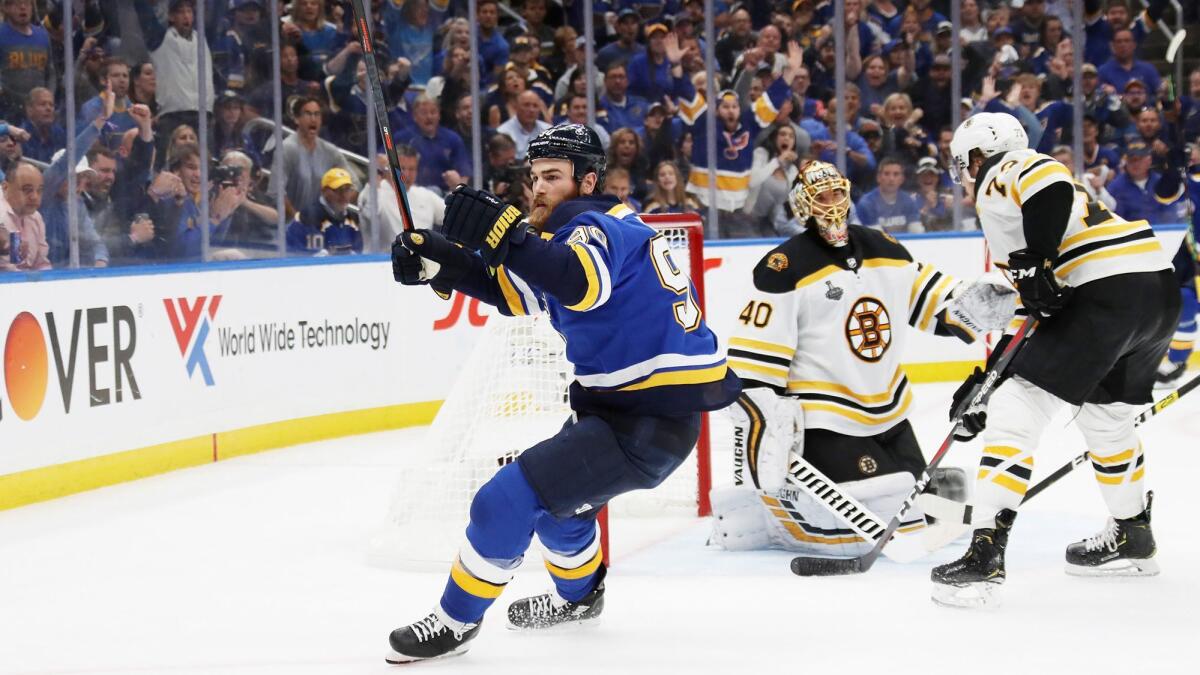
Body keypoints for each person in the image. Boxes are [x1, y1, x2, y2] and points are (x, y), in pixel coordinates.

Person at [386, 123, 739, 662]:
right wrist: (442, 259)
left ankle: (455, 620)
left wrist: (509, 237)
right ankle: (580, 597)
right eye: (534, 178)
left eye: (552, 176)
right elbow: (514, 290)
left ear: (589, 180)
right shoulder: (582, 233)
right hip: (632, 415)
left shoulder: (600, 225)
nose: (539, 189)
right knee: (560, 510)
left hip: (644, 421)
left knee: (503, 500)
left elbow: (580, 281)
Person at [932, 112, 1179, 608]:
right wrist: (987, 378)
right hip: (1152, 289)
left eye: (963, 163)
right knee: (1107, 422)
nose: (963, 174)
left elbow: (1048, 180)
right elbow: (1039, 314)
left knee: (1014, 414)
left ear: (974, 157)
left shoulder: (1004, 172)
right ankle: (1132, 534)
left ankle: (984, 556)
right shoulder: (1026, 215)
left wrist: (1037, 260)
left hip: (1103, 292)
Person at [711, 159, 1006, 555]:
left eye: (837, 194)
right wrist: (767, 428)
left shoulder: (885, 248)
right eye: (821, 197)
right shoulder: (784, 268)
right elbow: (754, 366)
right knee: (867, 524)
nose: (832, 204)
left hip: (888, 413)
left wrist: (992, 302)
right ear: (803, 206)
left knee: (916, 511)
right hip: (826, 420)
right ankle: (775, 521)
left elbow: (939, 305)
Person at [1152, 143, 1200, 389]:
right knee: (1177, 300)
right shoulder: (1189, 179)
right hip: (1190, 256)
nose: (1193, 152)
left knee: (1186, 301)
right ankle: (1175, 362)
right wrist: (1174, 167)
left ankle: (1177, 363)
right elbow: (1162, 194)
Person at [357, 147, 443, 249]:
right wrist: (376, 173)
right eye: (402, 168)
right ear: (390, 168)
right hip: (381, 262)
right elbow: (370, 216)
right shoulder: (374, 192)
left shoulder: (426, 195)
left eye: (411, 169)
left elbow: (454, 216)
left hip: (422, 261)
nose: (406, 174)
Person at [287, 167, 362, 256]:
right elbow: (312, 260)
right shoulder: (309, 217)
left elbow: (357, 253)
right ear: (324, 191)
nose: (344, 195)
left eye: (347, 189)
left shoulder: (352, 218)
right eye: (338, 190)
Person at [0, 161, 50, 270]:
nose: (34, 197)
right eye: (27, 190)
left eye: (39, 190)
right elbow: (6, 270)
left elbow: (42, 263)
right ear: (5, 187)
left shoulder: (36, 217)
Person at [856, 157, 923, 234]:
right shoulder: (867, 203)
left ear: (902, 179)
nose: (891, 179)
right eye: (886, 174)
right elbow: (876, 237)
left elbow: (916, 231)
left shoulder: (909, 201)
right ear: (878, 178)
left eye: (896, 174)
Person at [497, 91, 551, 161]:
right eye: (526, 105)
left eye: (535, 106)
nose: (531, 110)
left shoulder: (548, 131)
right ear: (516, 107)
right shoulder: (503, 133)